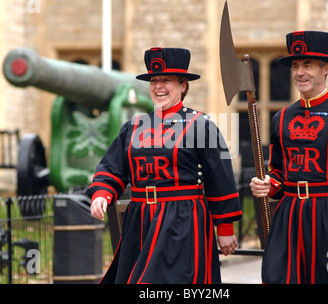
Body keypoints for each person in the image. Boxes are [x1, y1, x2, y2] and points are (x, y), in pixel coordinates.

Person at [87, 47, 242, 284]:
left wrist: (225, 228)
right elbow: (113, 167)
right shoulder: (133, 126)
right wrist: (102, 193)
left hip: (182, 222)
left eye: (166, 80)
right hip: (139, 222)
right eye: (154, 80)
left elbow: (220, 178)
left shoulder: (202, 126)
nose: (158, 86)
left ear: (183, 85)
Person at [250, 31, 328, 284]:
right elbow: (278, 172)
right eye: (295, 66)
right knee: (278, 277)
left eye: (307, 65)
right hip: (289, 218)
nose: (300, 73)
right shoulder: (281, 117)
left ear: (325, 68)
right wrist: (268, 185)